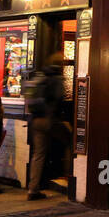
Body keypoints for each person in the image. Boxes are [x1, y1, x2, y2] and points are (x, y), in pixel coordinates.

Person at [25, 54, 68, 200]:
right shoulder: (57, 78)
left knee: (38, 154)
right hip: (49, 120)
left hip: (35, 120)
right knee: (73, 143)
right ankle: (72, 179)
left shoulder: (40, 75)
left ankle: (33, 190)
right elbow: (60, 99)